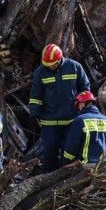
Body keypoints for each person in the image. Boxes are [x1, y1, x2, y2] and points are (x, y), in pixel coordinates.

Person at [29, 43, 90, 173]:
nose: (50, 67)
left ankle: (69, 179)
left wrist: (82, 106)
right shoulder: (40, 72)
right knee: (49, 155)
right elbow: (35, 95)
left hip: (71, 121)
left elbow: (85, 89)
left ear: (60, 59)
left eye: (53, 64)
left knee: (70, 154)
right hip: (49, 123)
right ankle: (47, 179)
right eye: (47, 65)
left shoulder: (74, 67)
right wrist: (34, 113)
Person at [62, 91, 106, 166]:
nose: (79, 109)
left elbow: (71, 149)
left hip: (86, 168)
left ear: (82, 104)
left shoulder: (80, 120)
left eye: (78, 106)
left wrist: (65, 163)